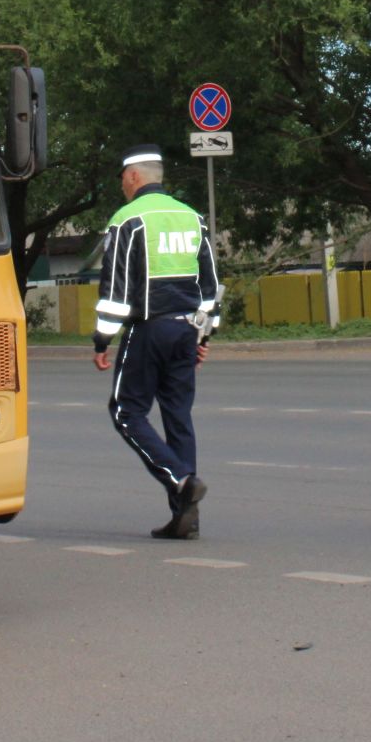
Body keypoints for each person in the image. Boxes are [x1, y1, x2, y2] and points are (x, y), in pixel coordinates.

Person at [92, 144, 221, 540]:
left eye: (122, 181)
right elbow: (209, 285)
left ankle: (181, 480)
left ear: (133, 177)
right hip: (185, 330)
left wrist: (101, 340)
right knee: (178, 417)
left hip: (148, 330)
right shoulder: (192, 218)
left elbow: (115, 291)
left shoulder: (127, 220)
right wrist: (205, 333)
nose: (122, 188)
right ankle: (186, 518)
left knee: (126, 413)